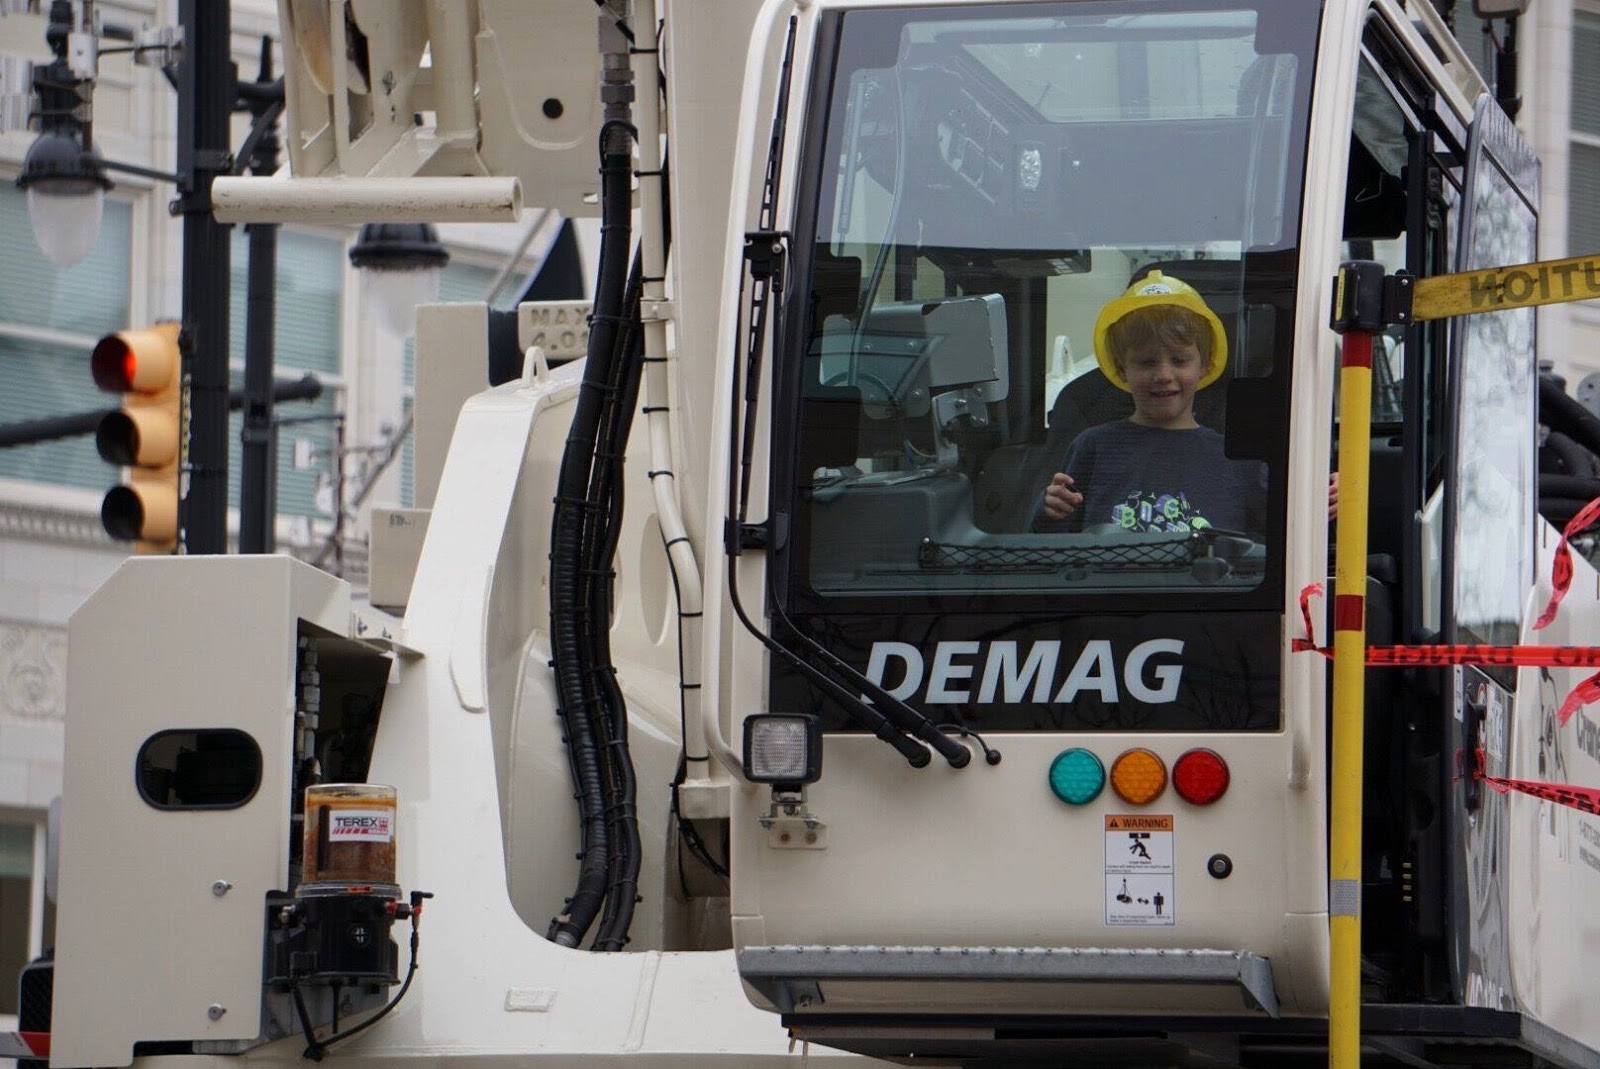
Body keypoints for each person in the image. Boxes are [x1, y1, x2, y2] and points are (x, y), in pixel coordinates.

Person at [1033, 270, 1267, 534]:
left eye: (1179, 360)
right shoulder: (1093, 447)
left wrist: (1322, 505)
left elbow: (1290, 530)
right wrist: (1050, 509)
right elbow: (1052, 542)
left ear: (1205, 365)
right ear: (1121, 369)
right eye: (1146, 362)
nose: (1164, 375)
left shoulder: (1238, 458)